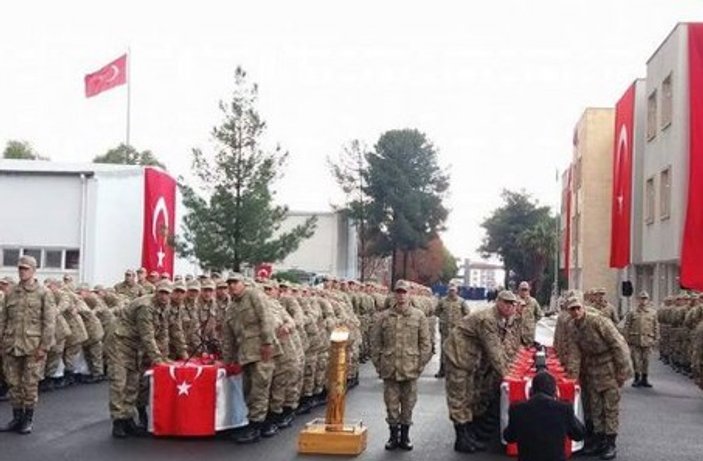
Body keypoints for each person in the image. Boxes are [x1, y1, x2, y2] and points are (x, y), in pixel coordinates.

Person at [443, 289, 519, 453]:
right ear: (498, 302)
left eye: (512, 304)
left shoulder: (499, 318)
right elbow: (494, 351)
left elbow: (502, 347)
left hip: (471, 356)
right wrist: (509, 376)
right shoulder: (488, 319)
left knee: (471, 394)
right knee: (459, 396)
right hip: (459, 355)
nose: (510, 307)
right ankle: (461, 439)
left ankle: (470, 433)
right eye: (506, 303)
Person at [565, 294, 631, 460]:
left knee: (610, 408)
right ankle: (598, 440)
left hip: (608, 367)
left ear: (583, 307)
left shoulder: (598, 321)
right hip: (591, 370)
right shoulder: (573, 327)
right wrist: (572, 376)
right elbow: (574, 353)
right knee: (595, 407)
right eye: (572, 309)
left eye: (578, 307)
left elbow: (618, 344)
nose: (576, 311)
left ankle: (610, 443)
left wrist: (622, 371)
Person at [371, 279, 431, 451]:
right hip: (390, 368)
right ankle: (392, 436)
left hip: (410, 368)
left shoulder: (418, 316)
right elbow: (375, 343)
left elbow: (426, 344)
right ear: (394, 294)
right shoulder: (383, 317)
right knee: (391, 405)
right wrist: (378, 364)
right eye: (398, 292)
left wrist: (420, 365)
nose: (401, 295)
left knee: (408, 404)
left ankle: (405, 437)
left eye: (404, 292)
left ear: (409, 294)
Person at [0, 256, 56, 434]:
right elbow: (3, 319)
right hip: (11, 345)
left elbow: (49, 322)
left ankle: (28, 419)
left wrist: (44, 347)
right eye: (20, 268)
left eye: (25, 268)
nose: (21, 271)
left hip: (33, 347)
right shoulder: (11, 293)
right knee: (13, 384)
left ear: (33, 270)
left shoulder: (43, 293)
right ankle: (16, 418)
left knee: (30, 384)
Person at [221, 272, 277, 444]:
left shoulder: (253, 295)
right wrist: (228, 361)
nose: (232, 286)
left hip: (261, 351)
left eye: (235, 282)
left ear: (243, 283)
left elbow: (266, 317)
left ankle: (256, 427)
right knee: (248, 389)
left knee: (260, 388)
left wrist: (268, 342)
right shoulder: (231, 308)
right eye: (229, 283)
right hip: (245, 355)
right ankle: (255, 422)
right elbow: (229, 337)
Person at [503, 371, 585, 461]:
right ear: (554, 392)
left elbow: (509, 437)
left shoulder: (517, 409)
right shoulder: (564, 409)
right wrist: (569, 412)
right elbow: (579, 435)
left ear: (531, 391)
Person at [622, 291, 660, 388]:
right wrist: (626, 338)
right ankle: (636, 378)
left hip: (647, 340)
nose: (643, 301)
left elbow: (656, 326)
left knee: (646, 360)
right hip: (635, 339)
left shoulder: (653, 313)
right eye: (641, 298)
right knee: (636, 360)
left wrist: (656, 338)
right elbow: (627, 326)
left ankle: (644, 378)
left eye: (645, 298)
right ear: (638, 300)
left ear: (648, 300)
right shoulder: (632, 312)